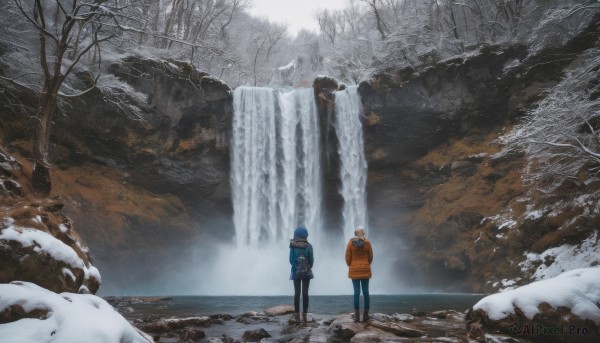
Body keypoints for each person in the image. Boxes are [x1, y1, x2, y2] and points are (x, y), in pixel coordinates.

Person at [345, 225, 373, 323]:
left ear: (355, 234)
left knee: (356, 292)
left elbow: (347, 257)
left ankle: (357, 317)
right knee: (366, 292)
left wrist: (351, 265)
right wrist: (366, 264)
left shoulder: (350, 243)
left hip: (354, 269)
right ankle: (365, 316)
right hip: (365, 269)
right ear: (363, 233)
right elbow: (370, 256)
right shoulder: (367, 242)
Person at [289, 226, 314, 323]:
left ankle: (296, 316)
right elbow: (311, 260)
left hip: (295, 271)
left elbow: (290, 260)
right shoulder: (309, 246)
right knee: (305, 293)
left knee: (297, 293)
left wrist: (295, 266)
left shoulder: (293, 246)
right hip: (306, 272)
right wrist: (308, 267)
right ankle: (305, 315)